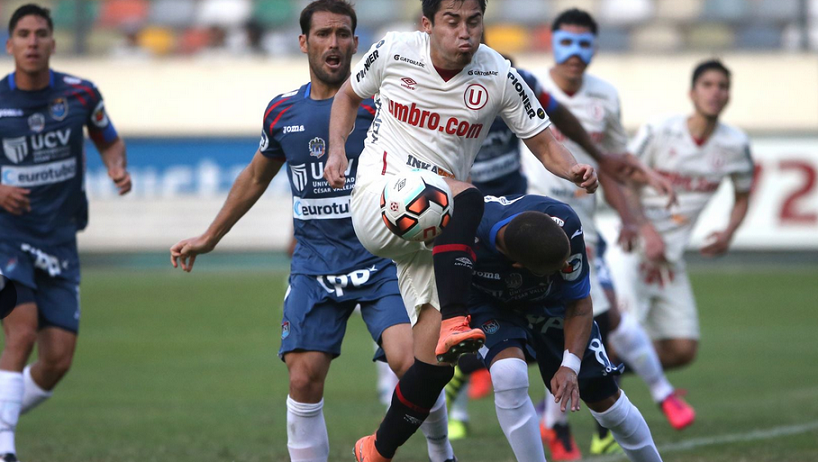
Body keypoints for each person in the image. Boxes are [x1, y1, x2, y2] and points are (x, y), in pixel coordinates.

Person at [169, 2, 458, 461]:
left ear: (356, 43)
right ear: (304, 43)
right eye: (323, 34)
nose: (334, 43)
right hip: (315, 263)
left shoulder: (383, 107)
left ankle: (442, 451)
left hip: (382, 259)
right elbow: (254, 178)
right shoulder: (283, 111)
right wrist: (210, 237)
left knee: (411, 361)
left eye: (343, 34)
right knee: (303, 377)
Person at [324, 1, 602, 460]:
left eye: (473, 22)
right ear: (428, 25)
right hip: (380, 196)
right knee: (469, 196)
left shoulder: (497, 73)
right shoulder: (395, 51)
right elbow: (347, 97)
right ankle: (458, 318)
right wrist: (338, 151)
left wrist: (573, 170)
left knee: (432, 366)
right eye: (452, 22)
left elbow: (541, 139)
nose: (465, 33)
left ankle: (377, 448)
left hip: (435, 229)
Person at [522, 8, 693, 459]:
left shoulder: (605, 98)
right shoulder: (525, 90)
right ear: (552, 43)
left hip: (587, 230)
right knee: (580, 320)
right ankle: (650, 396)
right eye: (567, 43)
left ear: (595, 48)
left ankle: (559, 419)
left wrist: (634, 220)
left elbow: (613, 166)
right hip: (533, 227)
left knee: (596, 317)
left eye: (584, 44)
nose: (575, 54)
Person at [0, 5, 131, 462]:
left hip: (59, 240)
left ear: (53, 43)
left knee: (57, 360)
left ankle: (1, 414)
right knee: (21, 332)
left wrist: (116, 166)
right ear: (10, 44)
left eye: (40, 34)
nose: (32, 42)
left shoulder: (79, 95)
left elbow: (108, 138)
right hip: (7, 236)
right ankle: (4, 446)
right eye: (23, 34)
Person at [468, 193, 663, 462]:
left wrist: (570, 365)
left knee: (608, 404)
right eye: (553, 270)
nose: (565, 268)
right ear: (518, 266)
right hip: (487, 301)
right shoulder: (466, 231)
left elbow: (580, 304)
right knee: (508, 373)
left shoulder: (567, 226)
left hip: (549, 304)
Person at [613, 59, 753, 371]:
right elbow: (624, 178)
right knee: (619, 335)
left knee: (682, 349)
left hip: (668, 258)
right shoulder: (661, 129)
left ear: (729, 95)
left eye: (722, 86)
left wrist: (729, 231)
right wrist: (645, 229)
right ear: (692, 93)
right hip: (632, 247)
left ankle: (608, 378)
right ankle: (565, 406)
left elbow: (743, 195)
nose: (715, 92)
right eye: (708, 85)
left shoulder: (735, 145)